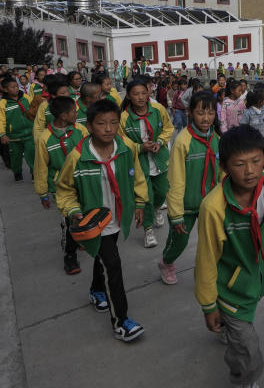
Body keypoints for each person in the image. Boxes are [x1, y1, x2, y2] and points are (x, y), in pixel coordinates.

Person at [195, 125, 264, 388]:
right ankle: (243, 381)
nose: (250, 171)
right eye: (239, 164)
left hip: (254, 277)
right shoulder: (213, 207)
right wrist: (208, 304)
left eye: (256, 161)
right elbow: (206, 259)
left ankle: (227, 329)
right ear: (223, 166)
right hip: (230, 290)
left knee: (240, 331)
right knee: (248, 349)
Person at [55, 99, 148, 342]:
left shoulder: (126, 147)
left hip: (117, 217)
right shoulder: (78, 157)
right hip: (95, 222)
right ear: (89, 126)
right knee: (113, 266)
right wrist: (75, 211)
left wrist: (139, 203)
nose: (108, 129)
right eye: (101, 124)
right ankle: (121, 322)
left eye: (113, 123)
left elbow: (137, 176)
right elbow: (64, 189)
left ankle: (97, 291)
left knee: (103, 259)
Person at [158, 90, 222, 285]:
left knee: (212, 242)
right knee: (179, 242)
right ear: (190, 113)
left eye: (210, 113)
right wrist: (175, 213)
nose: (206, 118)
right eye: (201, 112)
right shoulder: (183, 142)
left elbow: (222, 172)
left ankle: (207, 270)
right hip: (186, 205)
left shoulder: (216, 139)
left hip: (210, 203)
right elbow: (175, 181)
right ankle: (166, 262)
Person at [33, 96, 88, 275]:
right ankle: (70, 256)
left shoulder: (80, 130)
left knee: (85, 214)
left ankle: (80, 238)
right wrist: (42, 193)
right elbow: (40, 167)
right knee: (72, 218)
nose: (77, 112)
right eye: (73, 110)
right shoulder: (45, 139)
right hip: (62, 187)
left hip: (84, 181)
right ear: (63, 116)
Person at [119, 80, 174, 249]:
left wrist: (159, 141)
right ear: (128, 95)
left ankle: (158, 208)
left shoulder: (158, 109)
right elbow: (121, 140)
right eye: (136, 94)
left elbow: (168, 128)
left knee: (163, 190)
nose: (141, 97)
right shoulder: (124, 117)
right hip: (139, 161)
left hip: (159, 157)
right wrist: (139, 147)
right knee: (145, 196)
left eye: (144, 93)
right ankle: (148, 229)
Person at [0, 76, 35, 182]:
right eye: (12, 87)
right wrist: (2, 134)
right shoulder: (3, 104)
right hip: (14, 137)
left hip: (30, 134)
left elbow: (35, 111)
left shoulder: (26, 98)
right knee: (15, 157)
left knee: (32, 155)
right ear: (5, 89)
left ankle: (34, 173)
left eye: (16, 86)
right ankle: (17, 172)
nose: (16, 89)